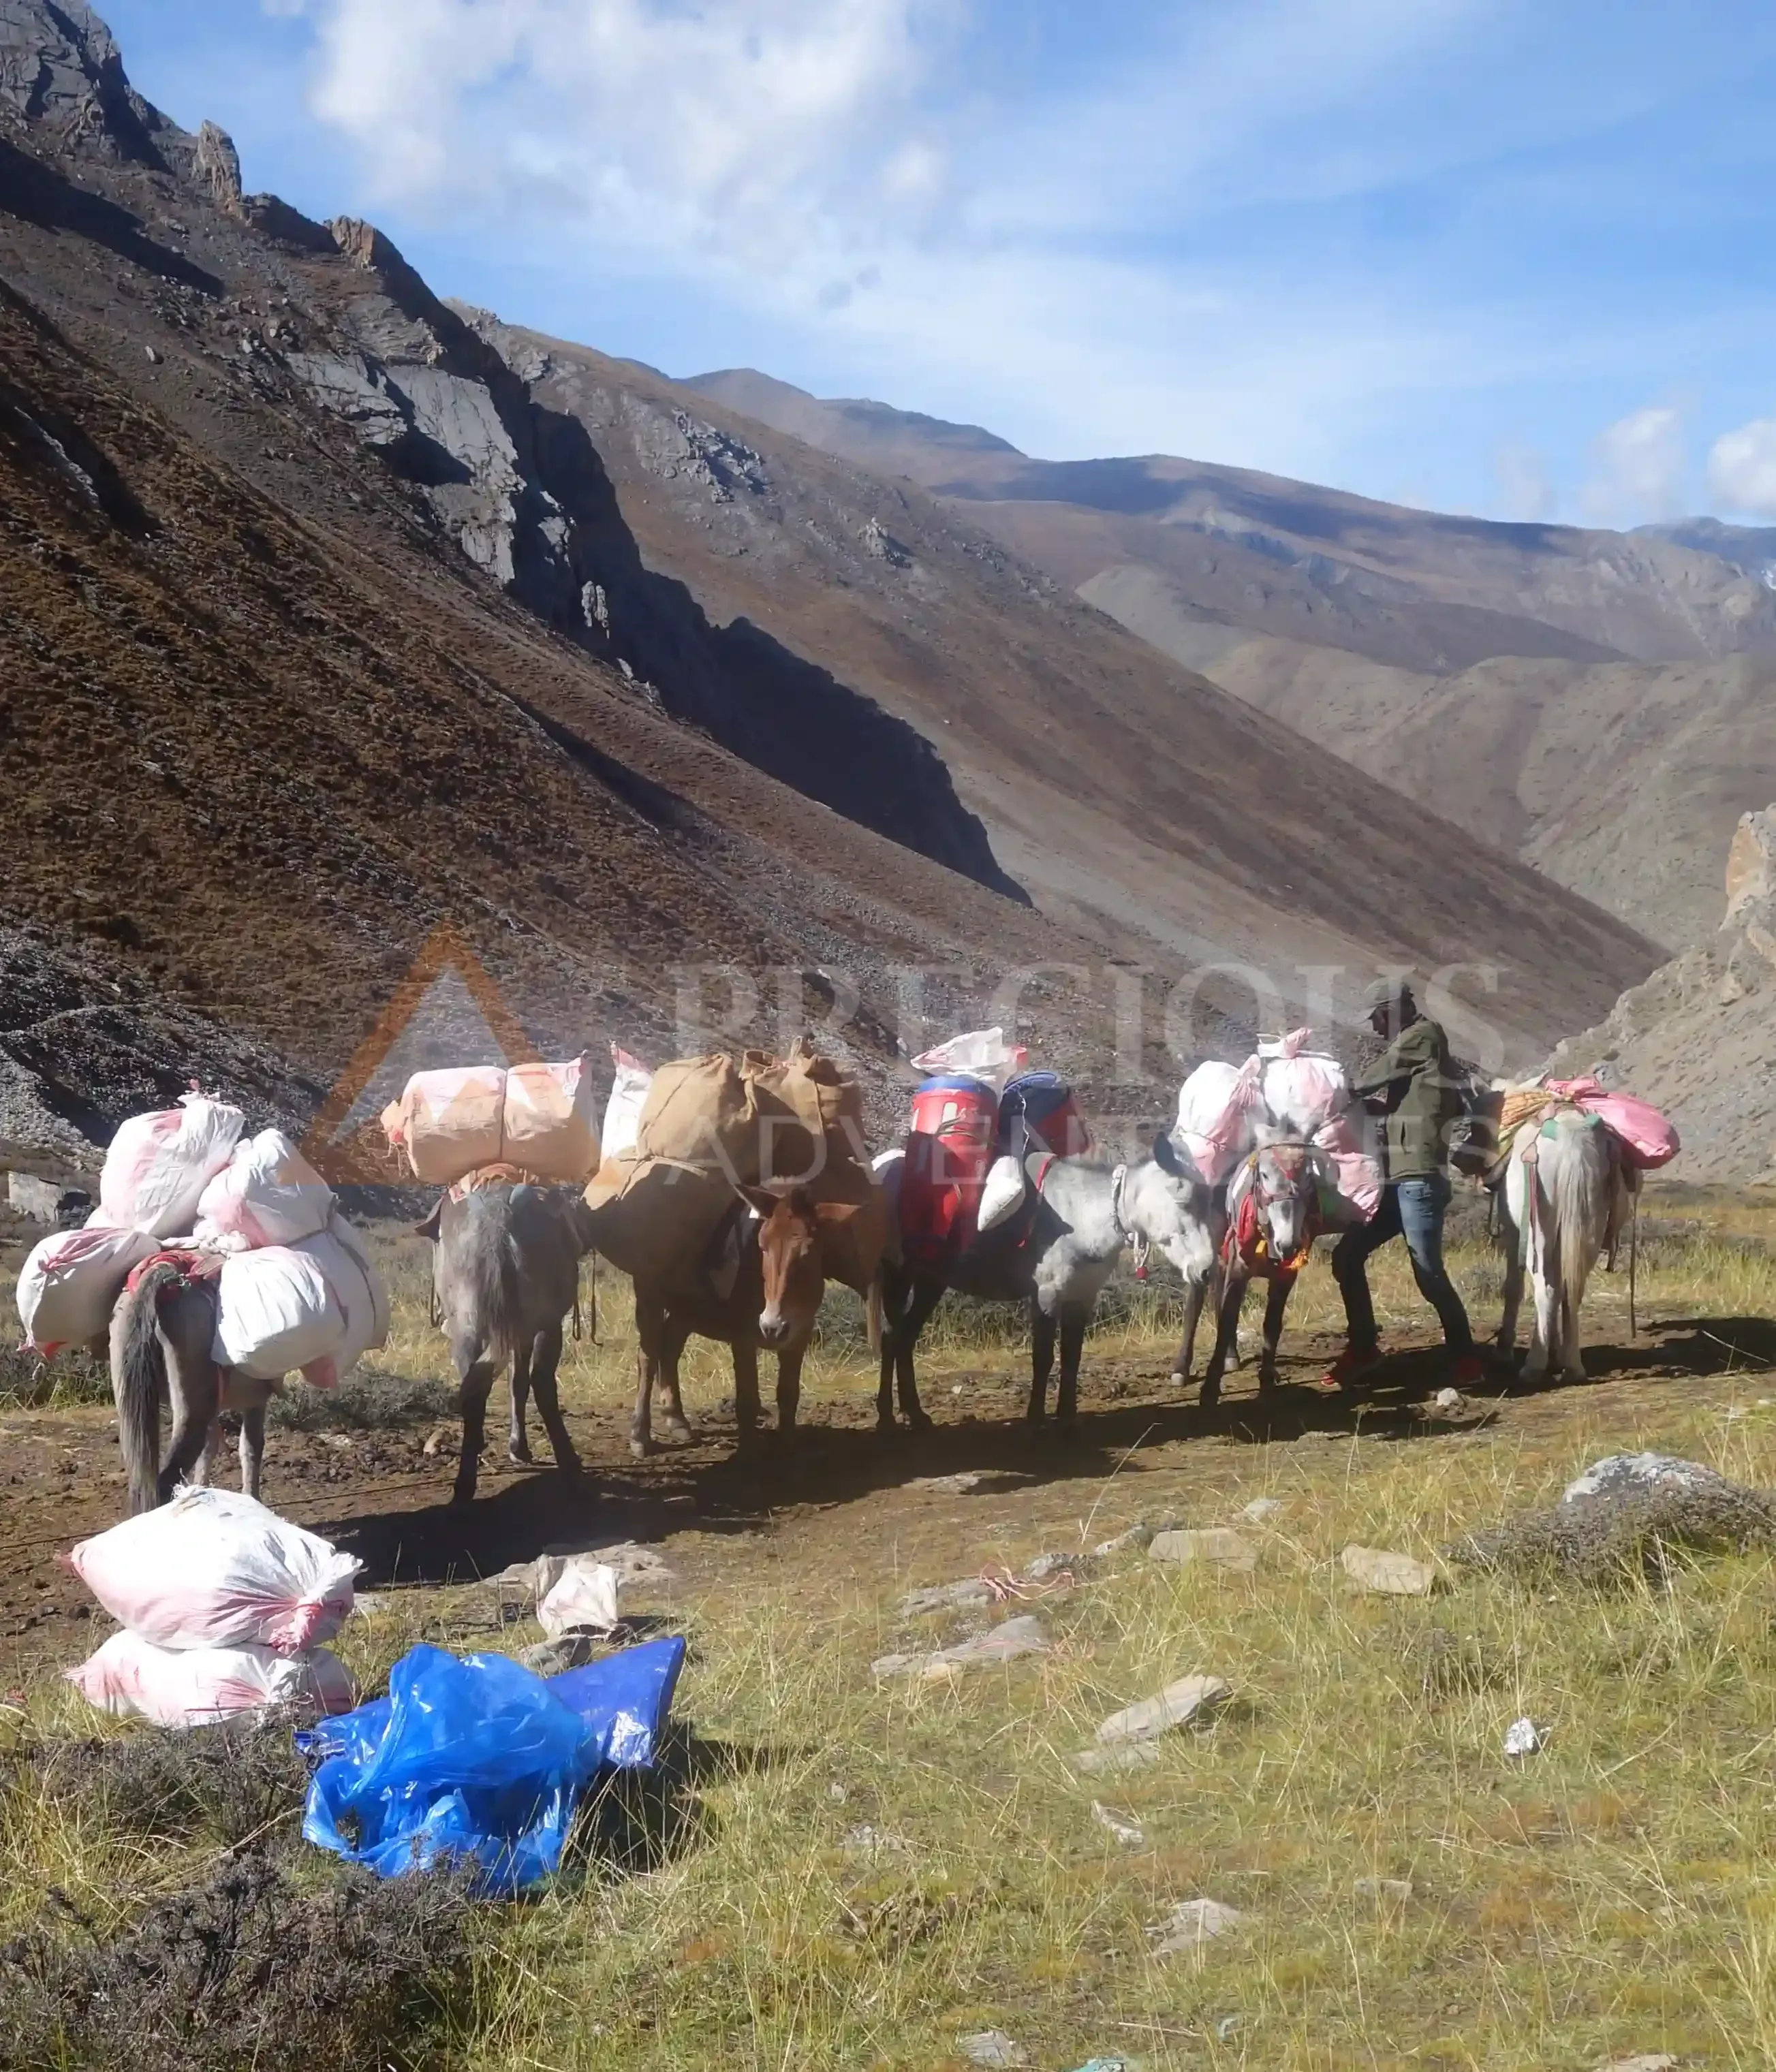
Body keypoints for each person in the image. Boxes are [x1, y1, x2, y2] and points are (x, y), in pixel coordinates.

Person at [1324, 977, 1484, 1389]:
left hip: (1419, 1179)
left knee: (1427, 1271)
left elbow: (1367, 1079)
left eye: (1378, 1018)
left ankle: (1467, 1358)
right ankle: (1364, 1349)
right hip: (1398, 1181)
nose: (1376, 1029)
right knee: (1346, 1257)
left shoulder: (1421, 1038)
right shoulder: (1418, 1054)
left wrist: (1332, 1091)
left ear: (1392, 1010)